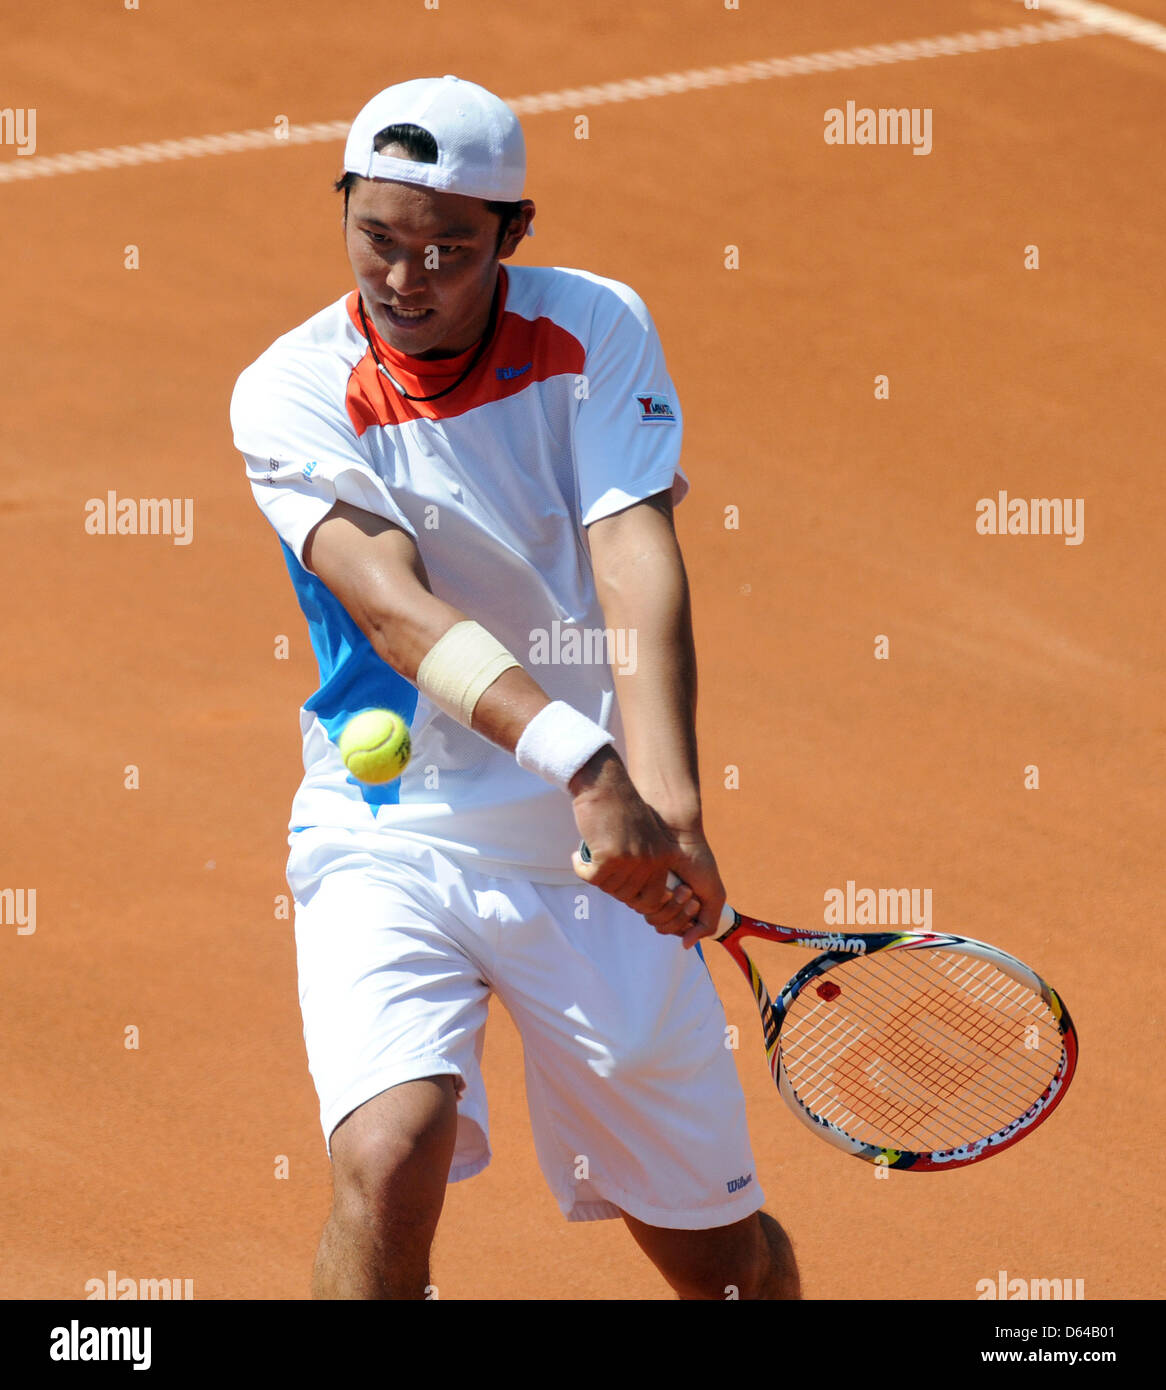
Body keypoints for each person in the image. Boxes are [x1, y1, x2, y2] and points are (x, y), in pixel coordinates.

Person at [230, 74, 800, 1301]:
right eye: (375, 238)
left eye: (447, 250)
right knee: (386, 1157)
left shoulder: (593, 327)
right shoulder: (287, 388)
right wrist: (590, 767)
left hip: (587, 860)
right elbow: (394, 609)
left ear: (513, 236)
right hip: (390, 832)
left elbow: (629, 550)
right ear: (341, 211)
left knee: (720, 1266)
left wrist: (671, 804)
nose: (404, 277)